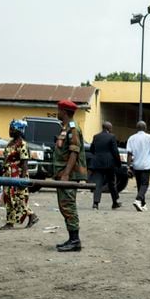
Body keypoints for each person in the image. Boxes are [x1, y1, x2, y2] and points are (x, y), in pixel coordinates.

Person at [53, 99, 88, 252]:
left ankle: (75, 240)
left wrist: (66, 174)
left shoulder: (73, 129)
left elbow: (74, 152)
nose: (57, 112)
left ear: (65, 112)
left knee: (68, 206)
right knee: (64, 206)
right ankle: (72, 238)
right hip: (62, 174)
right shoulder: (65, 128)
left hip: (69, 175)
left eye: (59, 110)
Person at [0, 119, 39, 230]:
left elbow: (24, 163)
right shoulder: (10, 143)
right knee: (8, 198)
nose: (10, 131)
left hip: (18, 175)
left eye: (12, 129)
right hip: (8, 175)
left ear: (18, 130)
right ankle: (10, 222)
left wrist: (22, 180)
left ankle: (31, 215)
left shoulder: (22, 144)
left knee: (18, 198)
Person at [126, 120, 150, 212]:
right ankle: (138, 200)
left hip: (136, 165)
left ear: (136, 128)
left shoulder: (131, 138)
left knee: (139, 185)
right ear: (145, 128)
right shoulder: (149, 137)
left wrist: (128, 167)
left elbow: (129, 153)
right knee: (145, 184)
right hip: (146, 165)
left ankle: (143, 204)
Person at [89, 121, 122, 210]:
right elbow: (115, 151)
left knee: (98, 183)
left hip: (97, 163)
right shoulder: (112, 136)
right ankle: (115, 202)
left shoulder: (96, 136)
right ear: (109, 128)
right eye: (111, 128)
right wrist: (118, 163)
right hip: (109, 163)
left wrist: (98, 156)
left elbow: (92, 149)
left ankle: (95, 203)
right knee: (111, 183)